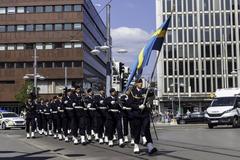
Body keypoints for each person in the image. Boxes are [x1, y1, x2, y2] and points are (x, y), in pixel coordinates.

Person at [128, 79, 157, 154]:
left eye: (141, 82)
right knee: (137, 130)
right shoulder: (132, 92)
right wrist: (138, 107)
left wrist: (151, 88)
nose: (140, 84)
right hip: (137, 114)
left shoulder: (145, 91)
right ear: (136, 84)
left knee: (146, 128)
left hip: (145, 113)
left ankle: (150, 146)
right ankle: (136, 145)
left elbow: (151, 94)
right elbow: (130, 104)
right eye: (139, 83)